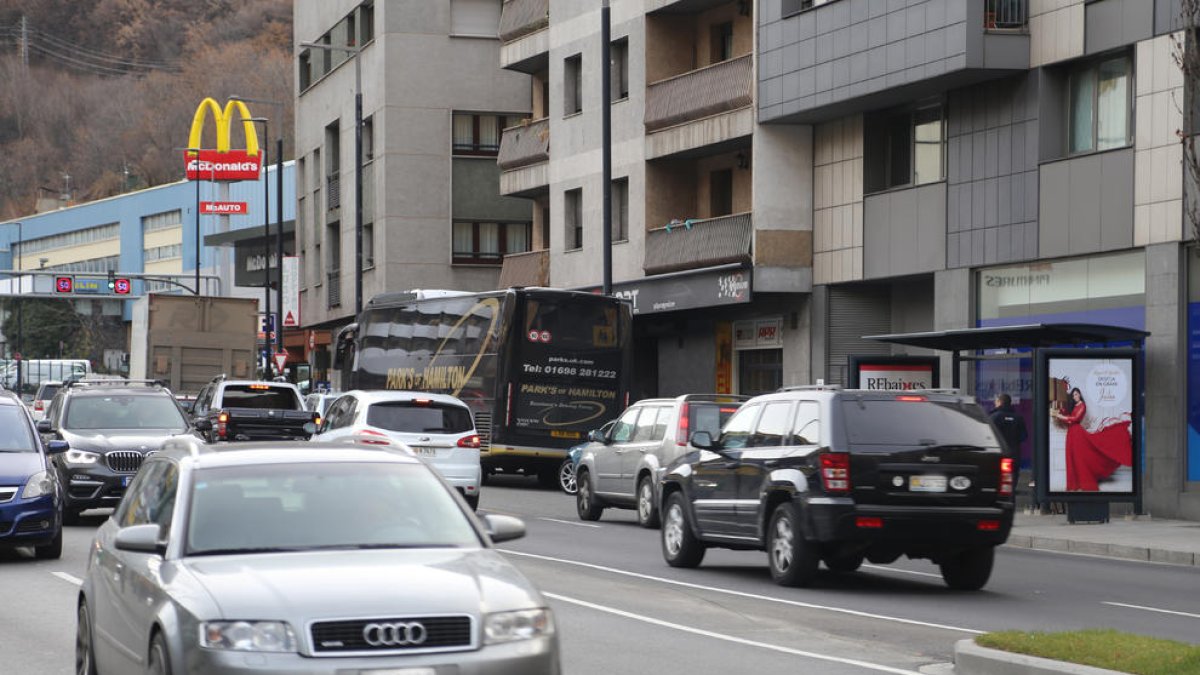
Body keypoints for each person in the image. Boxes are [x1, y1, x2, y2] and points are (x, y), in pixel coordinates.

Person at [1051, 388, 1132, 491]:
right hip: (1072, 434)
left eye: (1077, 394)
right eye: (1073, 395)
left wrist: (1060, 416)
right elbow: (1070, 419)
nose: (1075, 396)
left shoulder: (1082, 406)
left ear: (1080, 395)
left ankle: (1083, 482)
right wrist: (1061, 413)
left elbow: (1075, 419)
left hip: (1077, 434)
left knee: (1080, 458)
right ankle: (1075, 484)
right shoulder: (1075, 406)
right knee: (1072, 458)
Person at [990, 393, 1027, 493]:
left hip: (999, 454)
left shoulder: (993, 417)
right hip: (1014, 454)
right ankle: (1010, 500)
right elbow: (1023, 436)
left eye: (996, 402)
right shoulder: (1018, 417)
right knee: (1011, 487)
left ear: (999, 402)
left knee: (999, 484)